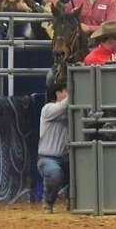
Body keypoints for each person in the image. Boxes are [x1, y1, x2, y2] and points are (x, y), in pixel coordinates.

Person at [37, 82, 69, 214]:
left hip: (67, 157)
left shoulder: (72, 110)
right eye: (65, 91)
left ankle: (72, 201)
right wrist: (77, 91)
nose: (67, 93)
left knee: (81, 171)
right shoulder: (48, 108)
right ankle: (48, 202)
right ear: (58, 93)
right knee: (54, 172)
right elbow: (64, 105)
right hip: (47, 158)